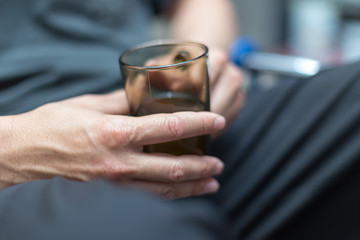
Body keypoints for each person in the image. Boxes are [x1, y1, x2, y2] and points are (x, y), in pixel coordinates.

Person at [0, 1, 359, 240]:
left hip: (161, 116)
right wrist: (11, 150)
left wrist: (196, 65)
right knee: (127, 227)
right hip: (22, 167)